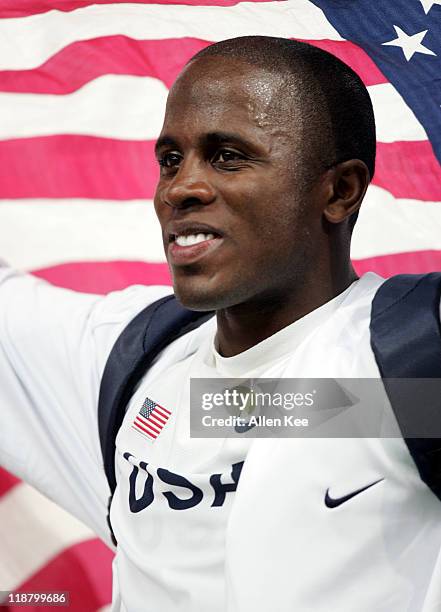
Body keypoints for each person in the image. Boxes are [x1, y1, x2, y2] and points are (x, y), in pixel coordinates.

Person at [0, 35, 440, 611]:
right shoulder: (131, 360)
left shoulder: (412, 359)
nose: (180, 188)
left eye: (228, 156)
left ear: (340, 190)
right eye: (170, 160)